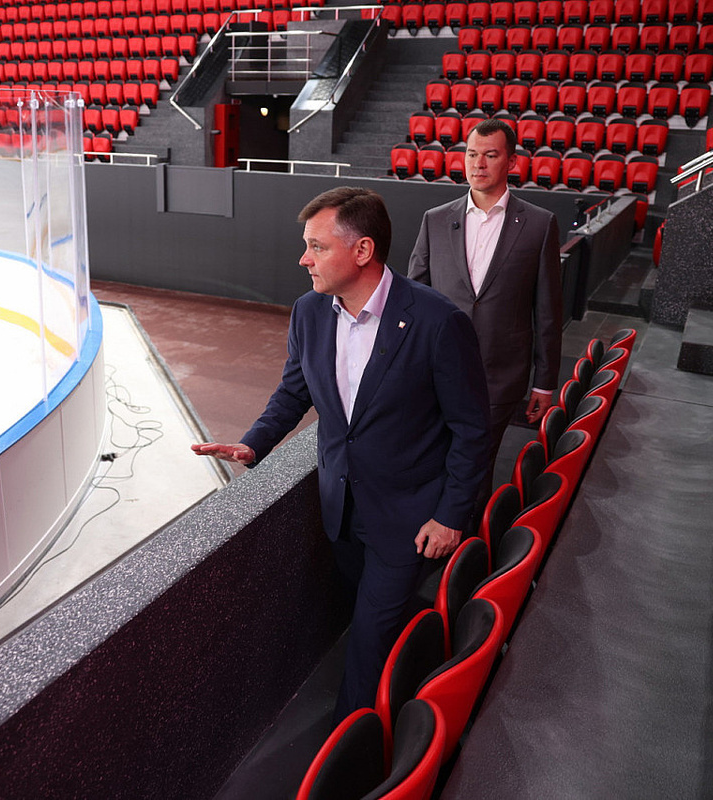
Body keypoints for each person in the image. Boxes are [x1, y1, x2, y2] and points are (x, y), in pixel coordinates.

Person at [192, 187, 491, 720]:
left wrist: (450, 515)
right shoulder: (308, 312)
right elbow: (294, 392)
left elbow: (472, 430)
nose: (303, 259)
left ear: (362, 250)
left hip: (410, 518)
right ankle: (407, 679)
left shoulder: (437, 321)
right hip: (341, 510)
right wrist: (254, 441)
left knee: (368, 642)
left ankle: (354, 744)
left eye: (317, 246)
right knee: (373, 619)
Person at [408, 118, 563, 528]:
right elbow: (413, 299)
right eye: (472, 154)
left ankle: (463, 542)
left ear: (511, 162)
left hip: (499, 375)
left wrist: (545, 381)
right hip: (437, 372)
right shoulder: (435, 219)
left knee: (475, 464)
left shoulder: (540, 224)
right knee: (433, 457)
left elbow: (548, 309)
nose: (478, 164)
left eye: (490, 155)